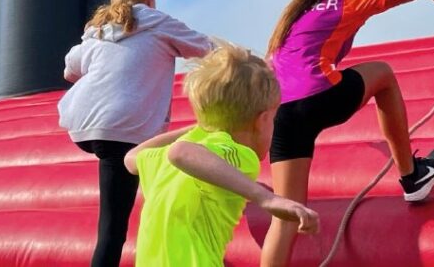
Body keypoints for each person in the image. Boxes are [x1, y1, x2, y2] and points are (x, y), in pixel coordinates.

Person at [260, 0, 434, 266]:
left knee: (285, 215)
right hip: (320, 96)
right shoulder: (349, 2)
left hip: (283, 113)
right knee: (383, 73)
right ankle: (412, 176)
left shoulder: (294, 17)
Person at [58, 0, 214, 267]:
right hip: (124, 128)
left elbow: (70, 68)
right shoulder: (157, 21)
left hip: (84, 124)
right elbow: (207, 49)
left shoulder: (99, 28)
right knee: (113, 229)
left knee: (143, 168)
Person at [123, 46, 319, 267]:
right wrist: (268, 198)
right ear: (262, 120)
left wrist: (201, 126)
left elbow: (131, 158)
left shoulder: (192, 145)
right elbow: (180, 153)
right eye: (273, 121)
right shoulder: (239, 154)